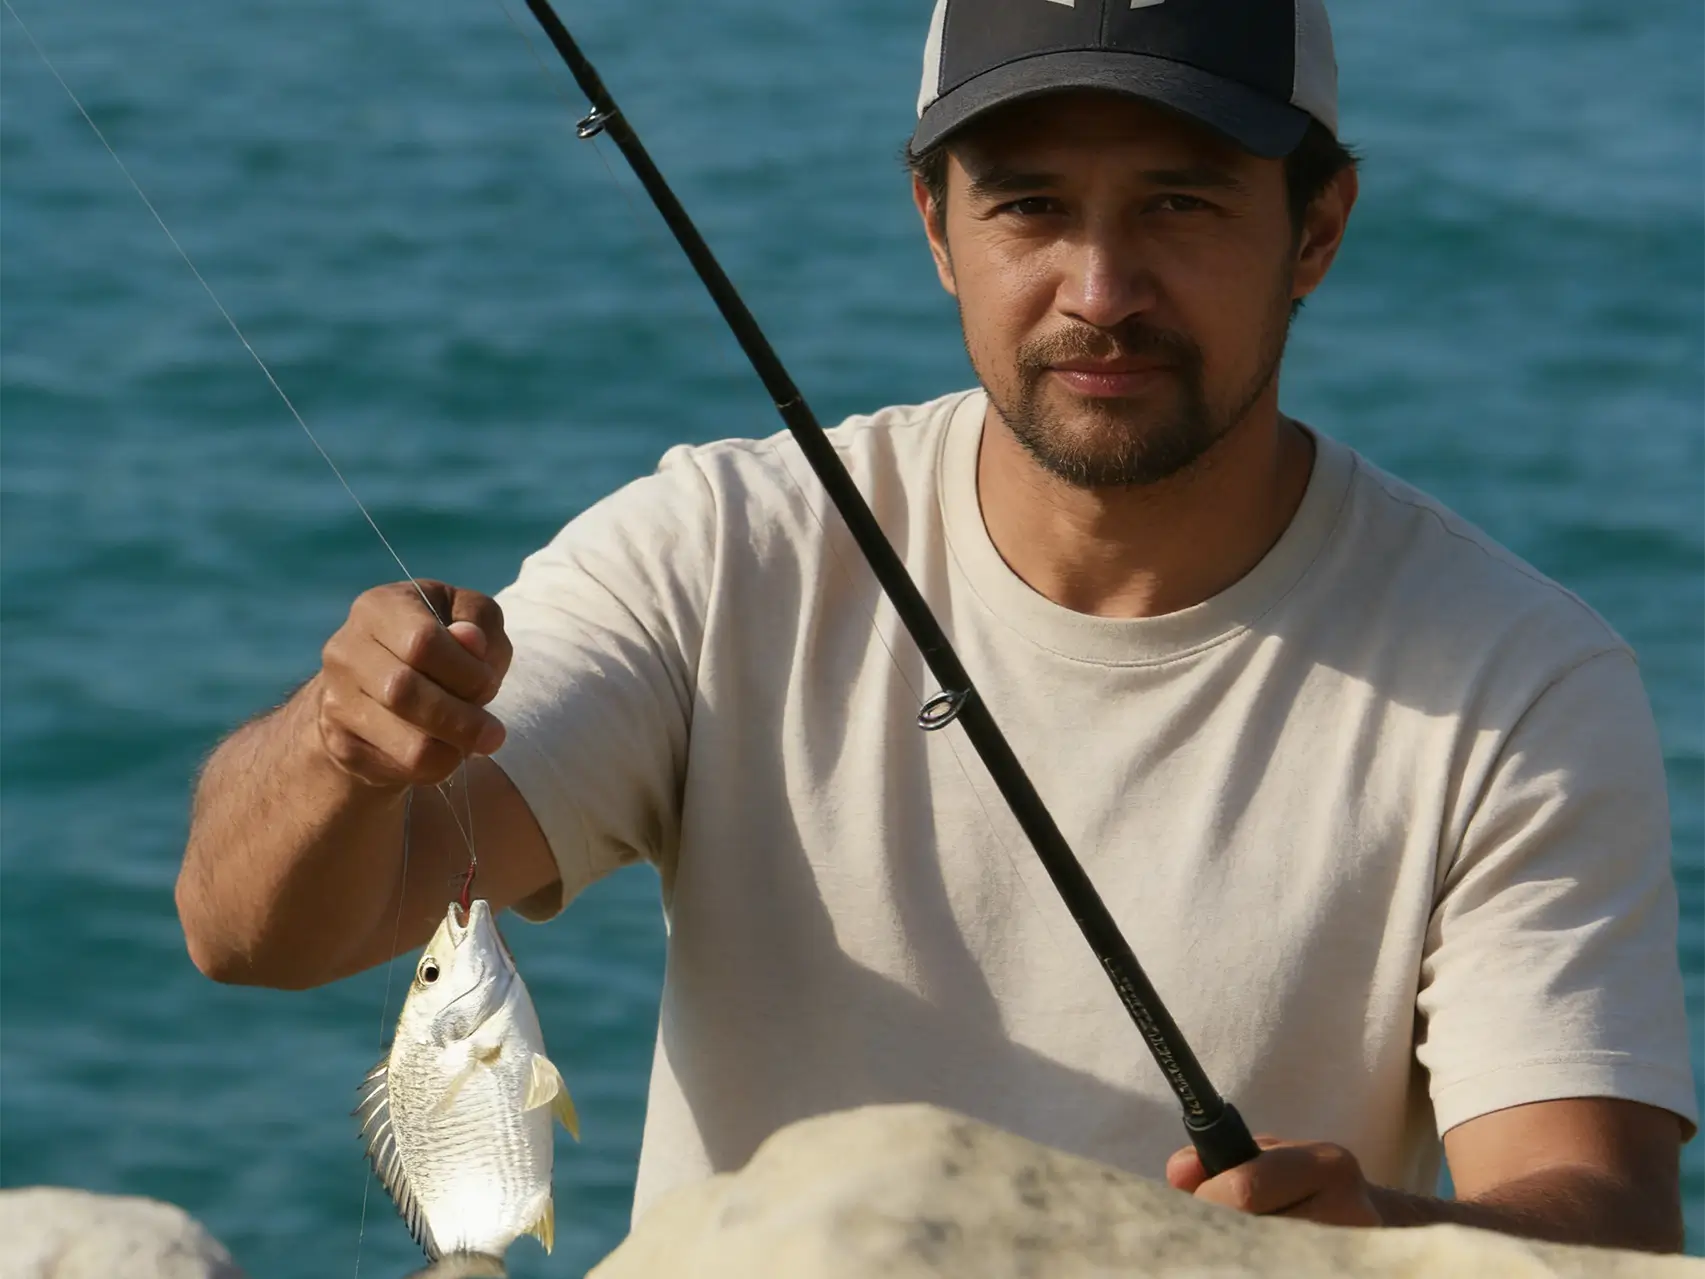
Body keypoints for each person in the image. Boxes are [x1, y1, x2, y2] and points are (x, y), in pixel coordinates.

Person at [176, 0, 1696, 1251]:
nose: (1099, 290)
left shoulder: (1522, 680)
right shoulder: (722, 547)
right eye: (1030, 205)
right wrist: (341, 753)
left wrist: (1382, 1233)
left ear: (1317, 230)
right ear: (934, 223)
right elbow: (250, 932)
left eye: (1180, 201)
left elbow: (1605, 1217)